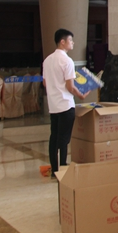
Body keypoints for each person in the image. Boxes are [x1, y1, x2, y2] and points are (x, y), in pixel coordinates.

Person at [42, 29, 88, 177]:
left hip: (53, 105)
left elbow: (45, 82)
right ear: (62, 42)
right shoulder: (67, 61)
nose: (73, 43)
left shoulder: (47, 60)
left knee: (54, 137)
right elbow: (70, 87)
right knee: (64, 139)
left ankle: (55, 169)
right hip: (66, 105)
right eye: (70, 40)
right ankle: (62, 168)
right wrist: (80, 95)